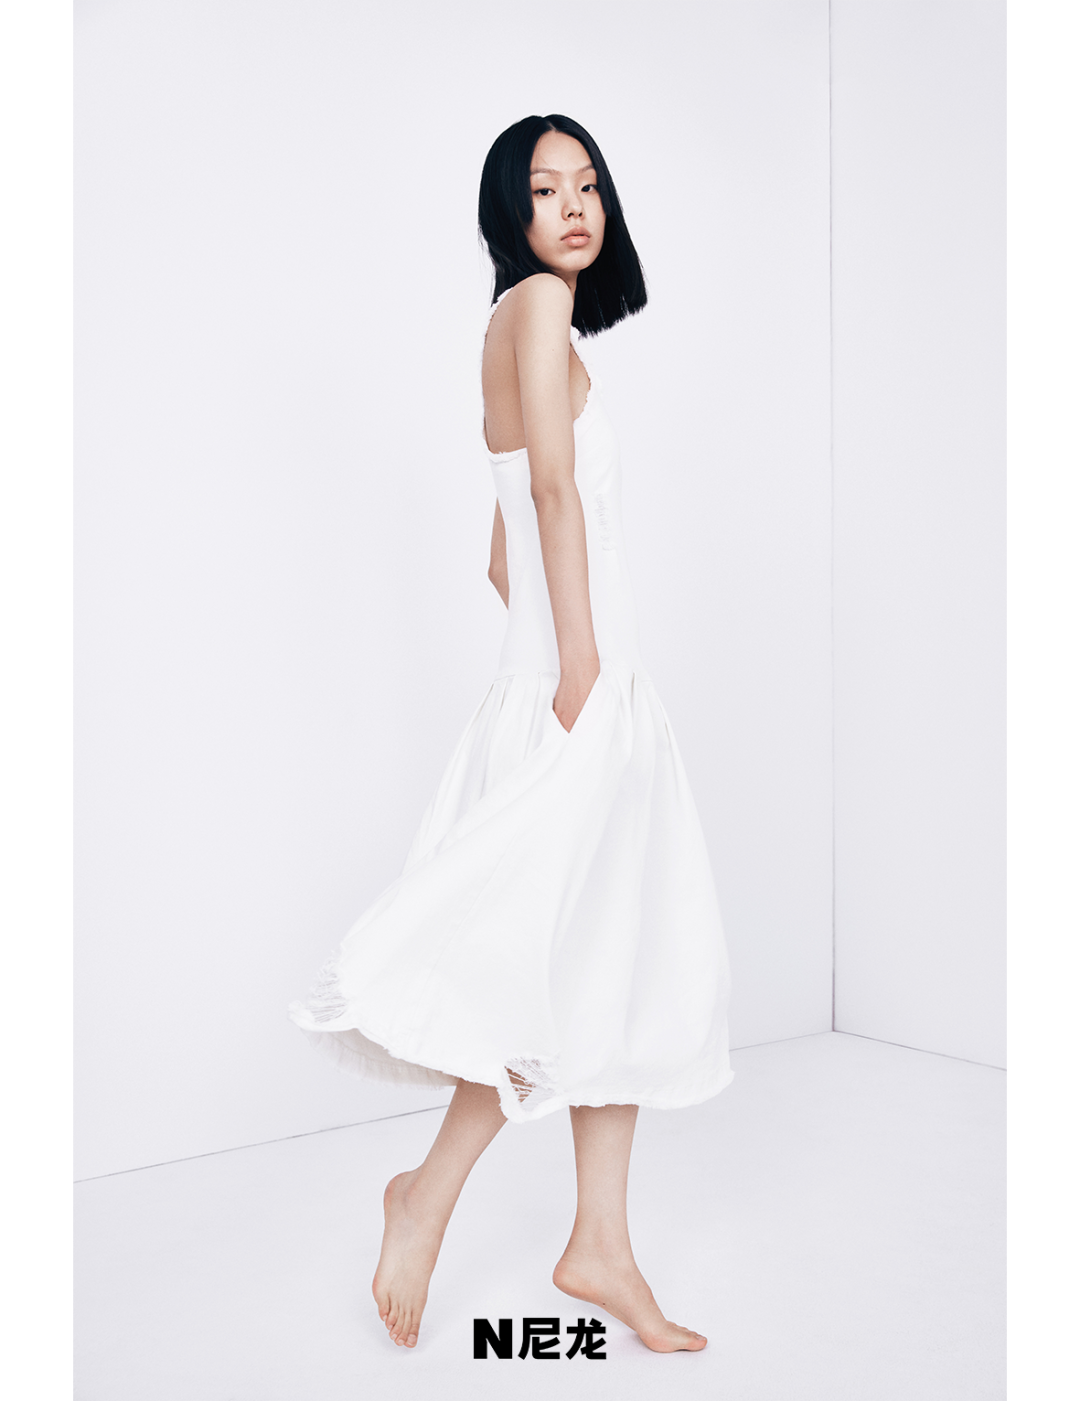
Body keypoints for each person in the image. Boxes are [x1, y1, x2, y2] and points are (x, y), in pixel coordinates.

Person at [290, 113, 731, 1354]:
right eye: (546, 190)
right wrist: (580, 671)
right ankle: (424, 1198)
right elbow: (545, 494)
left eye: (588, 185)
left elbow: (502, 550)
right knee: (537, 974)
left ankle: (600, 1248)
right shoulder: (536, 307)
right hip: (581, 692)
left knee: (603, 969)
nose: (574, 207)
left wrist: (555, 654)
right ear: (510, 212)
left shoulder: (524, 328)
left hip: (560, 683)